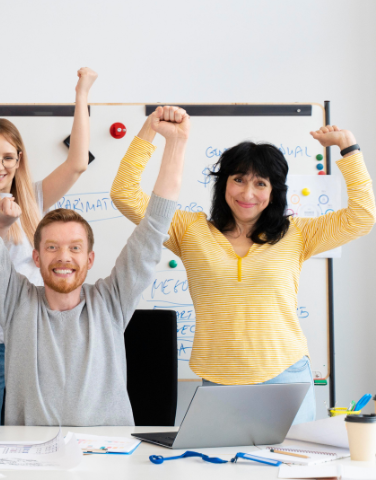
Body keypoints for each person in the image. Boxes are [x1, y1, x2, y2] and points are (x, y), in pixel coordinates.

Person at [111, 118, 375, 424]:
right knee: (227, 470)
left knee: (292, 468)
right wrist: (150, 130)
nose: (247, 193)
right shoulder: (189, 231)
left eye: (260, 183)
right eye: (238, 179)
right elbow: (124, 194)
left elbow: (362, 217)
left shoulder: (298, 233)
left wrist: (349, 147)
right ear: (223, 182)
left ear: (274, 191)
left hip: (286, 377)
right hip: (221, 382)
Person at [0, 105, 188, 425]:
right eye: (52, 247)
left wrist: (177, 144)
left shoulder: (111, 301)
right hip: (36, 458)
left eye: (74, 248)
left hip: (108, 458)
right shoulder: (16, 304)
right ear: (36, 257)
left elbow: (154, 225)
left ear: (89, 260)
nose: (63, 257)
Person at [0, 70, 96, 426]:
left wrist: (81, 93)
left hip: (30, 337)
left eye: (9, 157)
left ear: (19, 159)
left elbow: (78, 163)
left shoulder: (30, 198)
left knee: (29, 446)